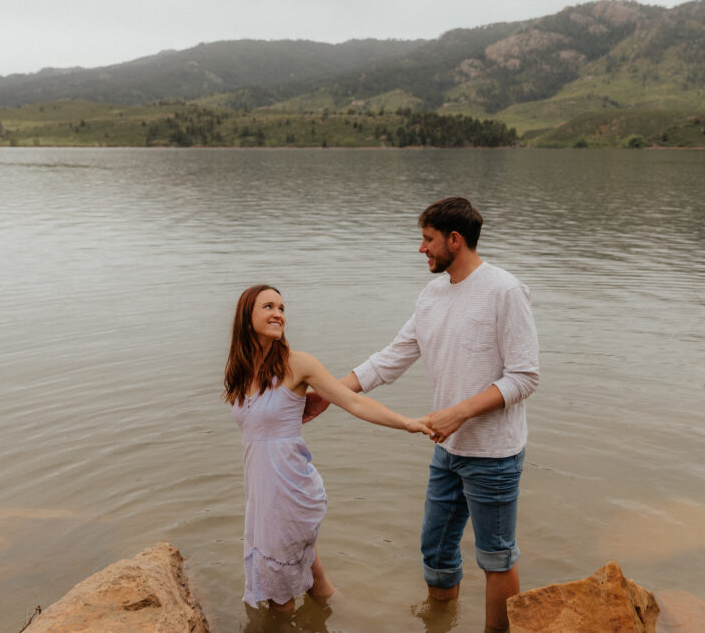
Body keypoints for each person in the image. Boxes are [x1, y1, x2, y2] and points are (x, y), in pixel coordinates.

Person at [303, 197, 539, 630]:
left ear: (454, 240)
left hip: (494, 455)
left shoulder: (505, 291)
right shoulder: (432, 294)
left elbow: (524, 378)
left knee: (496, 556)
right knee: (436, 551)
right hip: (447, 449)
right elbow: (393, 356)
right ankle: (439, 623)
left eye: (427, 240)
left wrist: (459, 413)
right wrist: (329, 392)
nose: (421, 249)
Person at [225, 284, 432, 612]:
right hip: (261, 490)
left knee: (280, 596)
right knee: (310, 571)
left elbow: (352, 401)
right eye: (268, 307)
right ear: (245, 316)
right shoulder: (239, 373)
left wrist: (407, 422)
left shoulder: (298, 364)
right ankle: (350, 616)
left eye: (281, 308)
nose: (278, 313)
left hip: (288, 488)